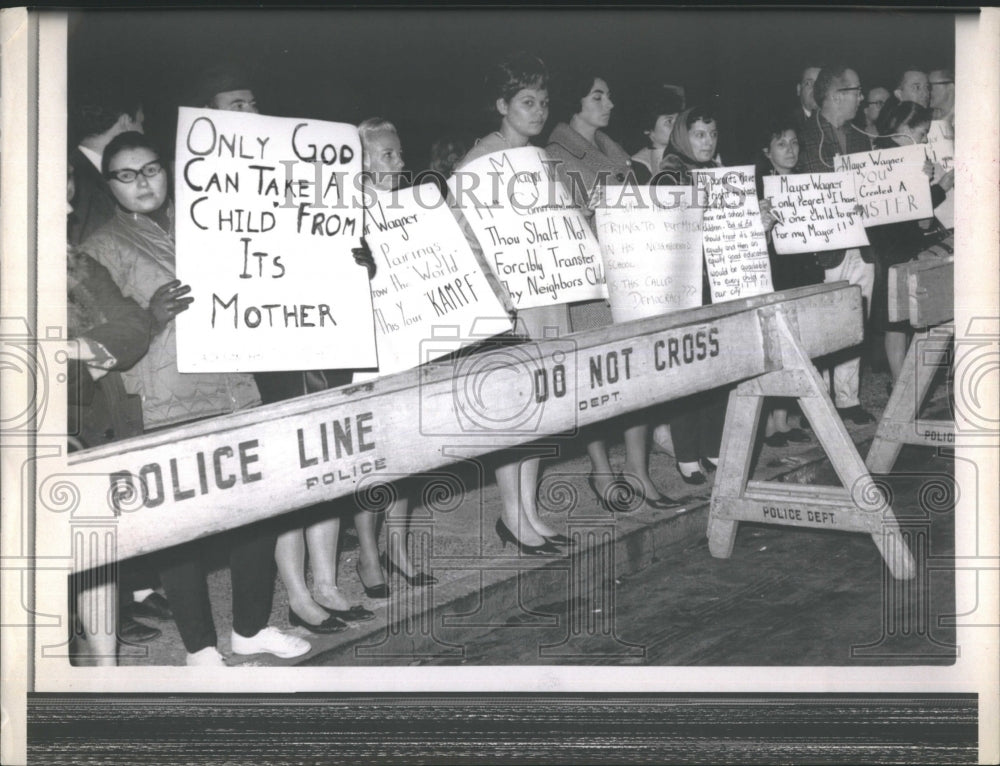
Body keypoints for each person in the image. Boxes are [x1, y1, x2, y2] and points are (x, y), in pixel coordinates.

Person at [84, 132, 310, 665]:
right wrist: (151, 315)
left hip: (236, 388)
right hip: (166, 401)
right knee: (179, 531)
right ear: (109, 185)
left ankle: (250, 630)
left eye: (151, 168)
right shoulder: (98, 249)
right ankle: (199, 650)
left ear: (168, 169)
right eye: (126, 174)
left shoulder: (212, 216)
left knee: (256, 515)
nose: (142, 182)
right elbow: (101, 340)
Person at [192, 66, 377, 630]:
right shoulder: (202, 184)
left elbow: (331, 233)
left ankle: (326, 580)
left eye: (252, 99)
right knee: (290, 470)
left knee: (331, 462)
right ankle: (297, 594)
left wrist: (358, 259)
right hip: (264, 343)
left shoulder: (297, 168)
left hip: (321, 335)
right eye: (234, 102)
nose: (247, 110)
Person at [547, 75, 680, 511]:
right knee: (599, 381)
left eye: (609, 94)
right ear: (575, 102)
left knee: (638, 377)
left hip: (630, 274)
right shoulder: (554, 155)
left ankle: (638, 472)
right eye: (597, 96)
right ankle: (601, 469)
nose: (609, 103)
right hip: (591, 283)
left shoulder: (613, 149)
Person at [454, 51, 567, 553]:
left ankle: (529, 509)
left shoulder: (540, 156)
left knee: (543, 405)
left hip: (547, 294)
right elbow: (462, 236)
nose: (538, 110)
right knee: (516, 412)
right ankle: (511, 514)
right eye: (527, 101)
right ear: (502, 104)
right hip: (511, 304)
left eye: (543, 101)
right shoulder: (480, 161)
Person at [66, 159, 155, 663]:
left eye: (70, 190)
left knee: (92, 548)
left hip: (82, 430)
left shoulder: (75, 262)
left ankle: (106, 669)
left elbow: (132, 325)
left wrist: (78, 352)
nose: (68, 206)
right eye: (54, 195)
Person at [796, 65, 876, 426]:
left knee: (857, 320)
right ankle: (820, 401)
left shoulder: (865, 136)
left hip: (863, 245)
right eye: (857, 91)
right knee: (823, 325)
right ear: (835, 96)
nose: (862, 97)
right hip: (824, 248)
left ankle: (848, 398)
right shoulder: (801, 135)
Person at [655, 106, 729, 483]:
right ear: (684, 135)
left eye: (712, 134)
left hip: (719, 284)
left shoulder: (720, 173)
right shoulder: (669, 173)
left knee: (719, 368)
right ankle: (686, 452)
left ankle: (714, 446)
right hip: (684, 287)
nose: (707, 141)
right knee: (688, 371)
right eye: (699, 134)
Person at [867, 100, 954, 384]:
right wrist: (939, 187)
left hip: (898, 242)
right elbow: (913, 208)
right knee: (897, 318)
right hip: (893, 245)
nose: (925, 139)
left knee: (900, 316)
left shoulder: (891, 154)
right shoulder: (893, 158)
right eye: (921, 133)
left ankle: (903, 380)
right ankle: (900, 381)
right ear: (904, 129)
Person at [755, 119, 818, 448]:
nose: (790, 150)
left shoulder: (809, 184)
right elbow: (755, 243)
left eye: (794, 143)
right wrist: (763, 226)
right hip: (775, 273)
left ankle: (782, 420)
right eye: (782, 144)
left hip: (803, 271)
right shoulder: (759, 189)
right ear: (767, 152)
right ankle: (767, 423)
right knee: (775, 349)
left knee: (797, 347)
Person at [68, 82, 145, 246]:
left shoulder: (85, 171)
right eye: (140, 123)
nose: (143, 132)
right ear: (125, 121)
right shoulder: (76, 183)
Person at [630, 88, 684, 185]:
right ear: (648, 129)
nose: (677, 127)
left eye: (678, 120)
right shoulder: (638, 164)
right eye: (669, 121)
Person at [790, 66, 822, 133]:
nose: (815, 88)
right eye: (808, 83)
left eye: (820, 83)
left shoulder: (836, 120)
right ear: (799, 89)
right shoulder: (788, 123)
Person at [928, 68, 955, 134]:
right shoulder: (928, 117)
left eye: (930, 86)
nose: (927, 91)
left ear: (950, 87)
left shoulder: (966, 119)